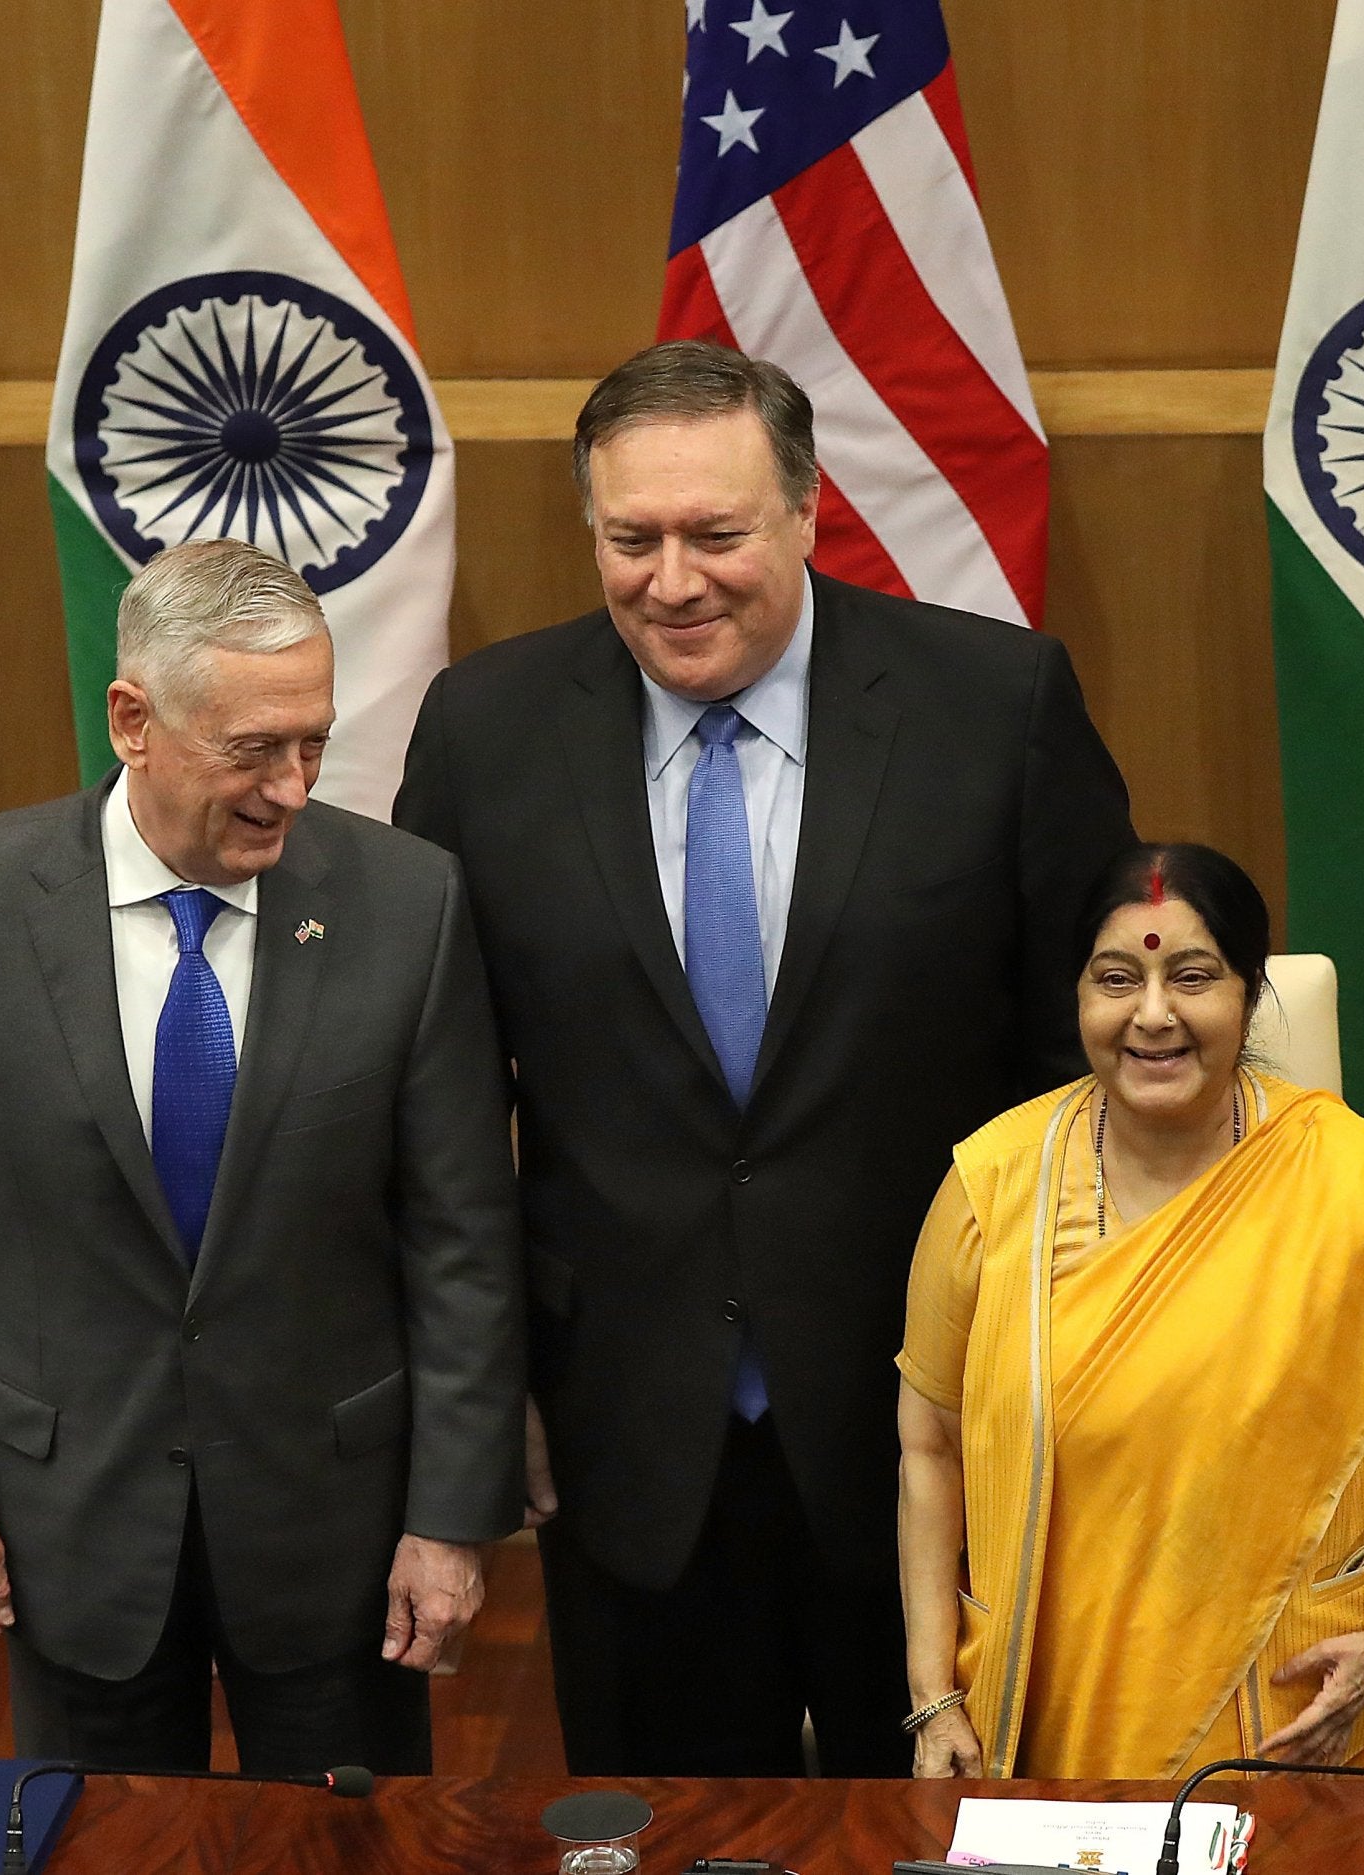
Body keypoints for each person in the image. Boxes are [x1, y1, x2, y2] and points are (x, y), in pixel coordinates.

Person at [394, 340, 1134, 1776]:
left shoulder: (995, 707)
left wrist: (1075, 1368)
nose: (673, 580)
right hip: (623, 1424)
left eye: (717, 534)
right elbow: (439, 1105)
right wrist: (489, 1403)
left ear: (806, 513)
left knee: (940, 1826)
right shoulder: (486, 731)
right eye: (633, 538)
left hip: (936, 1406)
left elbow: (1086, 1062)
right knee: (666, 1827)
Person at [0, 539, 526, 1775]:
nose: (290, 783)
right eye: (251, 749)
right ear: (133, 721)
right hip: (73, 1516)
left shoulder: (410, 904)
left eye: (312, 740)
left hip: (334, 1525)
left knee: (348, 1861)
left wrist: (450, 1520)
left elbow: (465, 1243)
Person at [896, 843, 1364, 1780]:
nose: (1154, 1014)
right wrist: (935, 1698)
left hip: (1296, 1716)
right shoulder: (990, 1188)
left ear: (1250, 997)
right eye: (1117, 977)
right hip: (1050, 1712)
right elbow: (930, 1440)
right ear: (1078, 996)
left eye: (1194, 977)